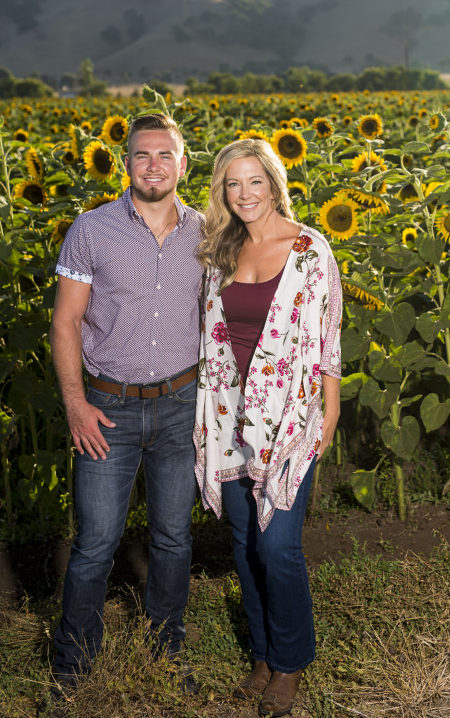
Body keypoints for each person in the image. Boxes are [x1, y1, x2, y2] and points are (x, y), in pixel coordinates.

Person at [49, 113, 203, 698]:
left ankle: (167, 649)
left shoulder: (206, 231)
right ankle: (74, 662)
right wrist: (74, 405)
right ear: (127, 163)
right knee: (96, 543)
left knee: (171, 538)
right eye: (143, 155)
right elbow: (65, 323)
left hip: (180, 404)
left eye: (166, 155)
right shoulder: (91, 230)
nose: (155, 164)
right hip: (106, 407)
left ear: (183, 165)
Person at [194, 138, 342, 717]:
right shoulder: (219, 253)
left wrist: (330, 409)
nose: (245, 194)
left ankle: (290, 660)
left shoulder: (309, 249)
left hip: (290, 415)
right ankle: (261, 653)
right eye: (233, 183)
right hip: (230, 417)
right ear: (222, 192)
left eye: (255, 181)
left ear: (274, 183)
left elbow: (328, 332)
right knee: (243, 541)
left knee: (278, 544)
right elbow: (212, 341)